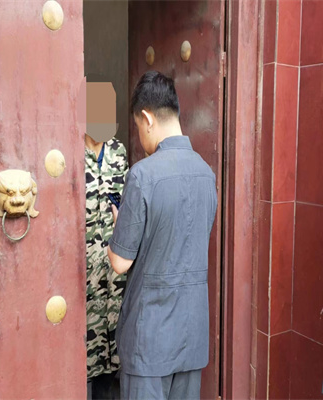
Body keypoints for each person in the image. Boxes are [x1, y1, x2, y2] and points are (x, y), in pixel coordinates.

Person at [107, 71, 217, 400]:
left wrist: (119, 225)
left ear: (147, 118)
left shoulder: (143, 175)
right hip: (191, 338)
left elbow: (120, 262)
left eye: (138, 127)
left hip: (150, 341)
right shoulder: (206, 174)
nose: (140, 135)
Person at [85, 80, 128, 399]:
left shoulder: (118, 151)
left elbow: (125, 201)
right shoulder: (68, 151)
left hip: (113, 269)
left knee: (113, 353)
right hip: (83, 270)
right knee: (82, 351)